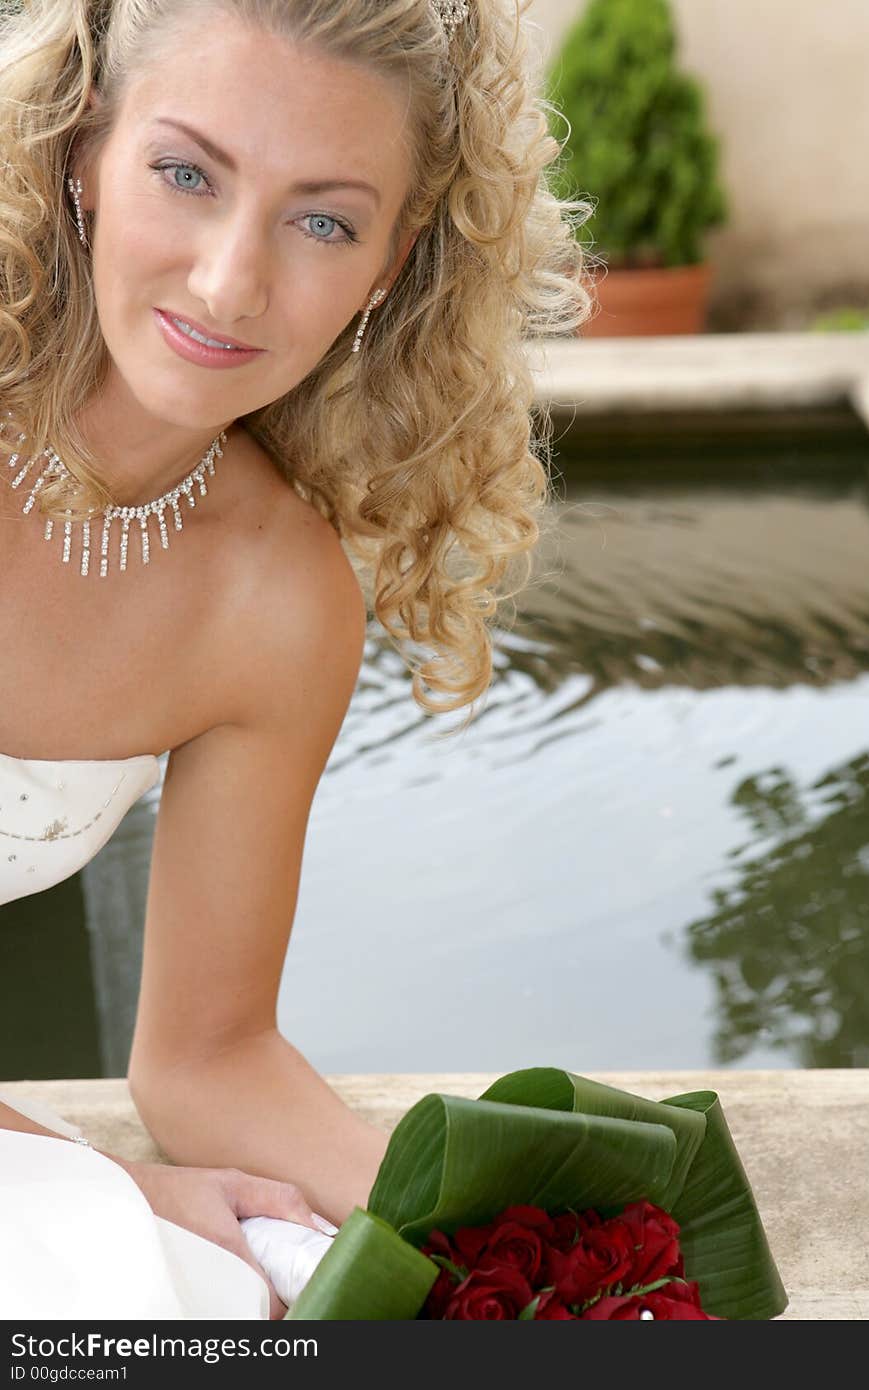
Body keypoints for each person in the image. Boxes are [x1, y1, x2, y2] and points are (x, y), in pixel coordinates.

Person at [0, 0, 594, 1319]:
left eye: (322, 218)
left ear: (391, 264)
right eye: (186, 172)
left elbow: (208, 1055)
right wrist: (97, 1177)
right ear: (84, 147)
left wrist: (509, 1255)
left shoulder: (275, 600)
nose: (229, 281)